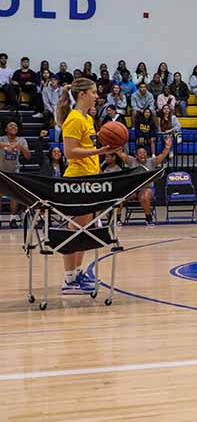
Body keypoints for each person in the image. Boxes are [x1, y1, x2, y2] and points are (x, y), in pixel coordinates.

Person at [55, 78, 122, 294]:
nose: (97, 96)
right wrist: (100, 152)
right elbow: (70, 153)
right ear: (82, 94)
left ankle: (77, 273)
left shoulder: (87, 119)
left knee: (85, 230)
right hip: (76, 180)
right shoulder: (74, 118)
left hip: (90, 179)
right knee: (74, 230)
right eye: (93, 92)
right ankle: (68, 280)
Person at [0, 120, 31, 221]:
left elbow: (28, 156)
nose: (14, 127)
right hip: (1, 170)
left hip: (14, 171)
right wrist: (6, 146)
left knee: (13, 196)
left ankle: (13, 218)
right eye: (11, 126)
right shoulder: (2, 139)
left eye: (16, 126)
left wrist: (21, 148)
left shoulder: (21, 140)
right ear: (6, 129)